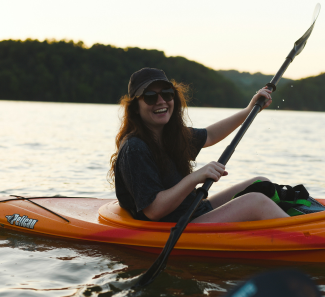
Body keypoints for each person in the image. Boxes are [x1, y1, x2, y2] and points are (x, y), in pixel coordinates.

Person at [108, 67, 289, 223]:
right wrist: (195, 177)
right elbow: (154, 211)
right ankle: (306, 238)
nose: (161, 101)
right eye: (149, 97)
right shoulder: (135, 148)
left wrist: (249, 110)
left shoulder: (170, 135)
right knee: (255, 201)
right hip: (176, 227)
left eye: (167, 94)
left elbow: (209, 135)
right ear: (135, 108)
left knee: (261, 184)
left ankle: (293, 225)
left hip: (192, 212)